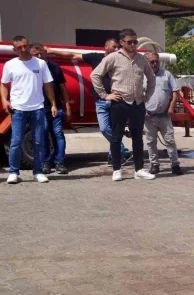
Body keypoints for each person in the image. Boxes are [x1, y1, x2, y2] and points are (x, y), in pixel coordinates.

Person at [48, 39, 132, 165]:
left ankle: (113, 156)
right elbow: (72, 55)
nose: (116, 49)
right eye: (114, 46)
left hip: (117, 100)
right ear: (106, 47)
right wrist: (52, 51)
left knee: (114, 129)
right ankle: (122, 149)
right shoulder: (95, 57)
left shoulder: (120, 59)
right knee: (104, 129)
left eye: (117, 47)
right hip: (101, 100)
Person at [91, 28, 157, 181]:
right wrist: (105, 95)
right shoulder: (113, 57)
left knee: (137, 137)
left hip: (138, 102)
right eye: (130, 42)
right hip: (120, 101)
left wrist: (147, 96)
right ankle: (116, 169)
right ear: (122, 43)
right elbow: (95, 75)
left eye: (135, 41)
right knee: (116, 136)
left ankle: (139, 169)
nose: (133, 44)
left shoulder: (141, 59)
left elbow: (151, 78)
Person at [1, 36, 57, 184]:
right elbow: (4, 85)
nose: (23, 49)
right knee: (16, 141)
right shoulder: (10, 65)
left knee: (39, 141)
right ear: (15, 50)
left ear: (29, 45)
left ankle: (38, 172)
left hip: (37, 107)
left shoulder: (40, 63)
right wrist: (4, 100)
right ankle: (13, 172)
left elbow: (47, 85)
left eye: (25, 46)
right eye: (19, 47)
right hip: (18, 108)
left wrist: (53, 104)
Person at [29, 43, 72, 175]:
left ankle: (60, 162)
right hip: (39, 107)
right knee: (44, 134)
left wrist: (67, 105)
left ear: (46, 53)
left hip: (56, 107)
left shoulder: (54, 67)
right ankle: (46, 162)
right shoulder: (30, 68)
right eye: (36, 54)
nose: (39, 56)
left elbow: (62, 87)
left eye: (41, 53)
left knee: (58, 134)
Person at [144, 52, 183, 175]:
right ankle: (154, 164)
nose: (155, 64)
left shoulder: (167, 75)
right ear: (146, 62)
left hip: (164, 116)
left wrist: (171, 107)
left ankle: (175, 164)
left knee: (170, 141)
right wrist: (142, 111)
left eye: (156, 61)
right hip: (149, 117)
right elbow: (137, 96)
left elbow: (176, 92)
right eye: (152, 62)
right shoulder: (141, 77)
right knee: (151, 142)